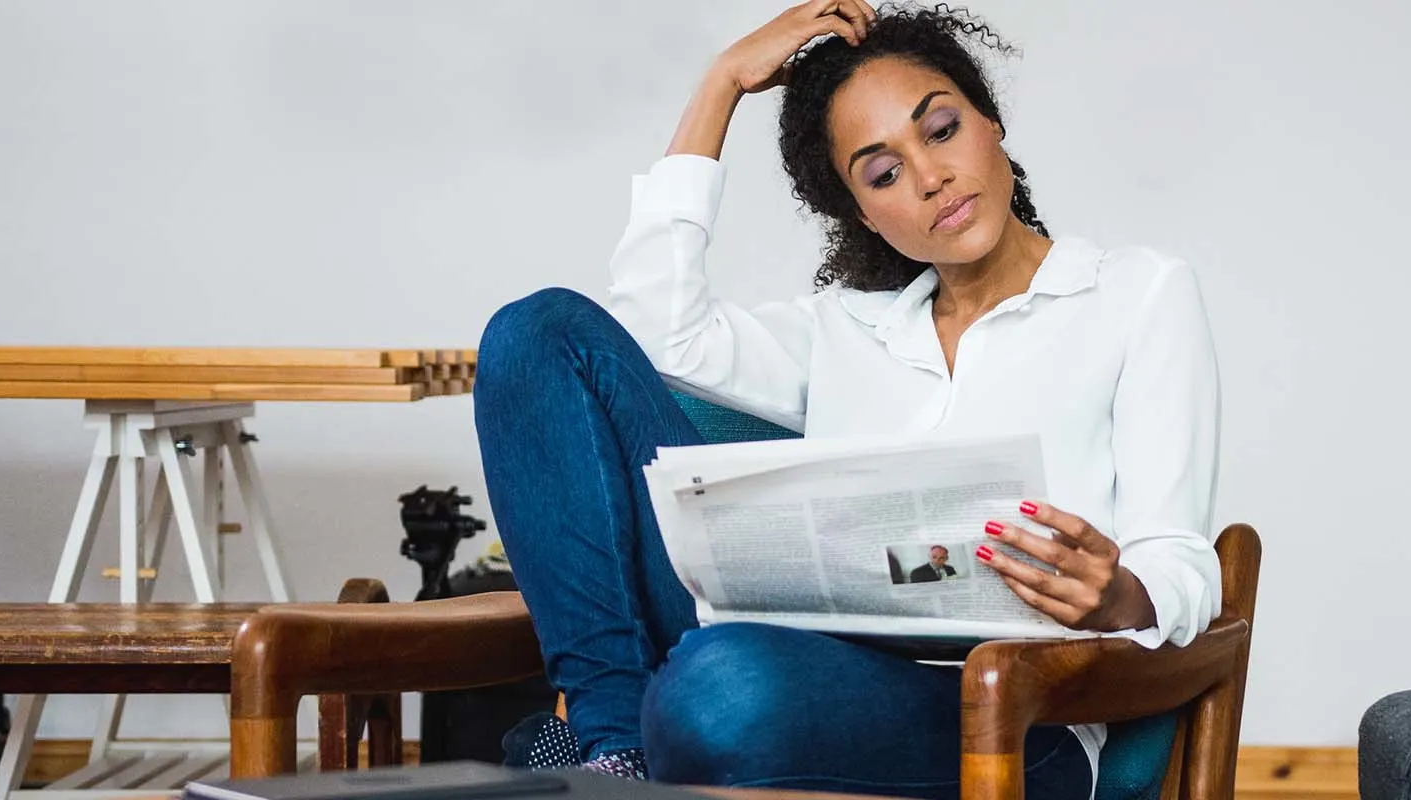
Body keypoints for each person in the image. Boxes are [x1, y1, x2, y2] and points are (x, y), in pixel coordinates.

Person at [472, 2, 1221, 798]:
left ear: (990, 123)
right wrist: (721, 82)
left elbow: (1177, 558)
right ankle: (615, 747)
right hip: (801, 657)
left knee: (720, 692)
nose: (931, 177)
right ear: (863, 212)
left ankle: (629, 737)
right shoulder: (847, 328)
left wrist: (1116, 597)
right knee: (537, 332)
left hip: (1012, 710)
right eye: (884, 172)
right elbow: (656, 330)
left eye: (940, 130)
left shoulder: (1137, 295)